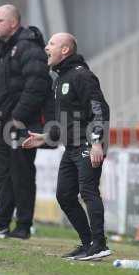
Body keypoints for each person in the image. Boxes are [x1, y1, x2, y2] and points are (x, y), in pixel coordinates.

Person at [23, 33, 112, 261]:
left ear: (65, 50)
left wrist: (96, 142)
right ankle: (87, 243)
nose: (46, 48)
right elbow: (67, 120)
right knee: (64, 195)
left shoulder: (83, 76)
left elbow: (100, 110)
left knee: (88, 192)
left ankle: (100, 244)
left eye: (51, 44)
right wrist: (45, 137)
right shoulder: (59, 80)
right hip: (71, 147)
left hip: (87, 144)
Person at [0, 4, 52, 239]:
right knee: (2, 174)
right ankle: (1, 222)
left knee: (21, 174)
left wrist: (18, 116)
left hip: (20, 123)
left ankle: (23, 225)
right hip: (1, 122)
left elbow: (38, 84)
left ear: (13, 23)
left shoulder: (28, 47)